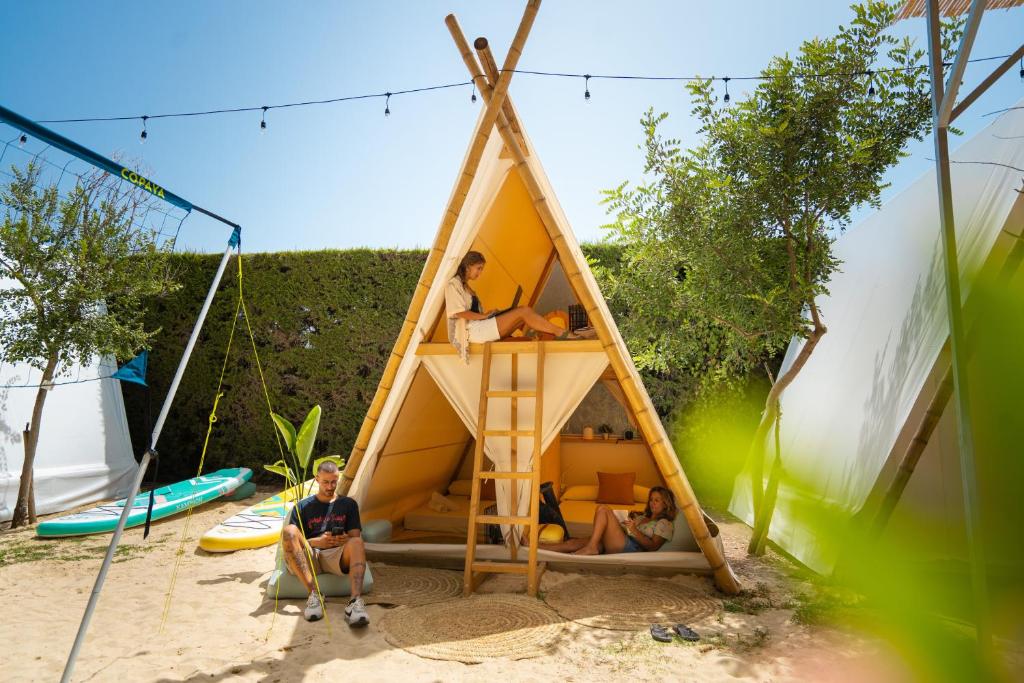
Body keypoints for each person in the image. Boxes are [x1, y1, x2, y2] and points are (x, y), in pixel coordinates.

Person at [445, 251, 585, 361]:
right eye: (478, 268)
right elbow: (459, 313)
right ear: (468, 265)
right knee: (523, 311)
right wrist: (484, 316)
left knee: (522, 315)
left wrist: (489, 314)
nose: (480, 273)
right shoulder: (453, 285)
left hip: (480, 327)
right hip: (473, 332)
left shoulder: (466, 286)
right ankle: (560, 332)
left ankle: (547, 334)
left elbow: (472, 312)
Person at [280, 460, 369, 625]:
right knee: (289, 531)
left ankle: (355, 602)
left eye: (334, 482)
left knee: (356, 542)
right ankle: (314, 595)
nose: (330, 486)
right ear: (316, 479)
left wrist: (345, 539)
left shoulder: (348, 504)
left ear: (338, 479)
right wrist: (317, 542)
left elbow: (355, 537)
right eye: (325, 482)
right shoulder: (302, 506)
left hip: (337, 555)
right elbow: (293, 542)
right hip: (311, 554)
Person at [535, 486, 677, 555]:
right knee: (572, 542)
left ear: (666, 503)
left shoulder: (665, 523)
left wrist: (634, 530)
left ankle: (591, 547)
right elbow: (628, 530)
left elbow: (653, 547)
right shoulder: (643, 517)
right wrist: (624, 524)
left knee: (603, 509)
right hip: (621, 539)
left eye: (657, 500)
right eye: (651, 500)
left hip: (631, 548)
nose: (652, 503)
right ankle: (534, 547)